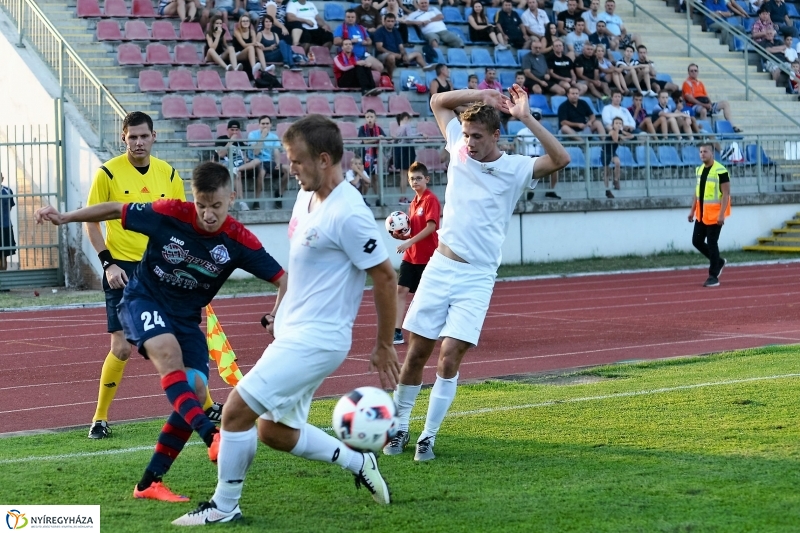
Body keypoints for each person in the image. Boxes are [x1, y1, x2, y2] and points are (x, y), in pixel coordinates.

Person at [172, 115, 401, 525]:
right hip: (294, 332)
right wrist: (280, 309)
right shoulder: (305, 196)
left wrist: (384, 344)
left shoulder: (348, 212)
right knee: (272, 432)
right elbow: (302, 268)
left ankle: (225, 508)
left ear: (324, 159)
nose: (289, 167)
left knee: (236, 411)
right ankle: (358, 462)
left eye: (296, 160)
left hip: (317, 340)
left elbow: (385, 275)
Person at [36, 161, 287, 503]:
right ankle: (211, 436)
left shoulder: (238, 240)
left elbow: (284, 280)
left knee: (197, 388)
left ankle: (148, 484)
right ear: (193, 198)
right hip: (142, 298)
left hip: (186, 318)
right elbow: (115, 208)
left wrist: (276, 314)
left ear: (231, 197)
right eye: (202, 205)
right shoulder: (170, 212)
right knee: (168, 354)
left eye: (216, 206)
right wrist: (65, 217)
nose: (208, 214)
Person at [382, 85, 569, 461]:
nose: (469, 142)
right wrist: (482, 94)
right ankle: (399, 427)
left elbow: (560, 158)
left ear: (496, 135)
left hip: (478, 276)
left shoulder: (515, 168)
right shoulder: (458, 149)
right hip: (440, 267)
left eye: (478, 137)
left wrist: (527, 118)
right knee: (417, 351)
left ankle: (427, 437)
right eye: (466, 135)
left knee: (449, 355)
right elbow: (437, 102)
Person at [83, 111, 190, 441]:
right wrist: (107, 264)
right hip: (122, 269)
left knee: (181, 340)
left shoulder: (169, 174)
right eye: (133, 137)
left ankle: (205, 405)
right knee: (122, 347)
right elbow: (91, 221)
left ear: (154, 137)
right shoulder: (108, 174)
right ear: (124, 138)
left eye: (144, 136)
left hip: (159, 268)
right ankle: (99, 419)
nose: (139, 142)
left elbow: (181, 221)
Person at [390, 162, 441, 346]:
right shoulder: (413, 203)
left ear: (427, 179)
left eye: (418, 178)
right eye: (412, 178)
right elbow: (415, 230)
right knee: (401, 290)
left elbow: (431, 227)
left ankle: (451, 325)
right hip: (411, 256)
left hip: (428, 256)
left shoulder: (430, 200)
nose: (415, 181)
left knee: (432, 296)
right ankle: (397, 331)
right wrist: (402, 236)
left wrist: (409, 241)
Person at [688, 142, 731, 288]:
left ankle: (713, 276)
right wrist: (692, 210)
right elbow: (697, 192)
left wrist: (721, 215)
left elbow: (726, 194)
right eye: (700, 152)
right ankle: (718, 261)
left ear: (712, 153)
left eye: (705, 151)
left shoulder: (721, 170)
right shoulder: (699, 170)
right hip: (701, 213)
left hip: (715, 214)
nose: (702, 154)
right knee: (696, 241)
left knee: (712, 243)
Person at [216, 119, 265, 210]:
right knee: (236, 174)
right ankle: (242, 202)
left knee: (257, 161)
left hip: (240, 165)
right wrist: (230, 141)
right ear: (227, 130)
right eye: (232, 129)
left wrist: (261, 139)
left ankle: (238, 169)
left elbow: (250, 151)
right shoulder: (221, 139)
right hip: (227, 165)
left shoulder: (239, 142)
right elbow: (221, 154)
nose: (234, 132)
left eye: (236, 130)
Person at [682, 63, 742, 131]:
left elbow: (706, 96)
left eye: (695, 70)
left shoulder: (700, 83)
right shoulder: (686, 83)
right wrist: (704, 105)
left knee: (725, 103)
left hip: (705, 102)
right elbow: (689, 98)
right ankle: (705, 132)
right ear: (688, 72)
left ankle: (732, 126)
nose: (694, 72)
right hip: (694, 105)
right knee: (703, 110)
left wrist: (710, 104)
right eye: (691, 71)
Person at [247, 115, 287, 209]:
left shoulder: (274, 136)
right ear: (259, 125)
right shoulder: (252, 134)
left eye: (267, 124)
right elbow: (256, 151)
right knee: (261, 173)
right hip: (257, 161)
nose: (265, 126)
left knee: (287, 169)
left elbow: (276, 151)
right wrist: (263, 137)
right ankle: (256, 201)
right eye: (263, 124)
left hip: (269, 162)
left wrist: (277, 163)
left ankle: (279, 195)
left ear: (270, 125)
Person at [374, 12, 431, 77]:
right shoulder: (379, 31)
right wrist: (394, 54)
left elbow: (401, 46)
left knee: (417, 54)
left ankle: (428, 73)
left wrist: (404, 55)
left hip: (398, 55)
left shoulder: (396, 31)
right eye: (388, 21)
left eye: (392, 21)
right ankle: (390, 78)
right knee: (391, 57)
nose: (390, 23)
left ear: (394, 22)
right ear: (384, 21)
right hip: (383, 55)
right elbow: (379, 48)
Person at [393, 112, 425, 204]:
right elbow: (410, 137)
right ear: (406, 118)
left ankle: (402, 197)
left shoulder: (398, 129)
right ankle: (403, 197)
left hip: (399, 151)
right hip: (406, 151)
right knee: (405, 175)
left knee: (402, 175)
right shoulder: (406, 126)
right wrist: (421, 134)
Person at [357, 109, 387, 203]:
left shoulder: (378, 129)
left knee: (375, 178)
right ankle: (363, 199)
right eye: (367, 117)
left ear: (375, 118)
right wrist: (377, 139)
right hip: (364, 158)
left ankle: (379, 199)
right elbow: (364, 141)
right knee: (364, 180)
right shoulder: (362, 128)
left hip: (375, 158)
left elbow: (385, 138)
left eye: (371, 117)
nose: (369, 119)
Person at [602, 117, 633, 198]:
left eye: (620, 123)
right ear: (613, 125)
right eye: (616, 123)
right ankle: (607, 189)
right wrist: (618, 133)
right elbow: (615, 139)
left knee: (617, 162)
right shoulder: (612, 131)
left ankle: (616, 180)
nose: (618, 125)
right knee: (607, 171)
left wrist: (623, 135)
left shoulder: (620, 131)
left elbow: (632, 136)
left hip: (612, 152)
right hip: (605, 152)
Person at [0, 172, 15, 271]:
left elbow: (9, 208)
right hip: (5, 225)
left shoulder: (7, 191)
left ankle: (4, 282)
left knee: (4, 255)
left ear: (2, 178)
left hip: (5, 227)